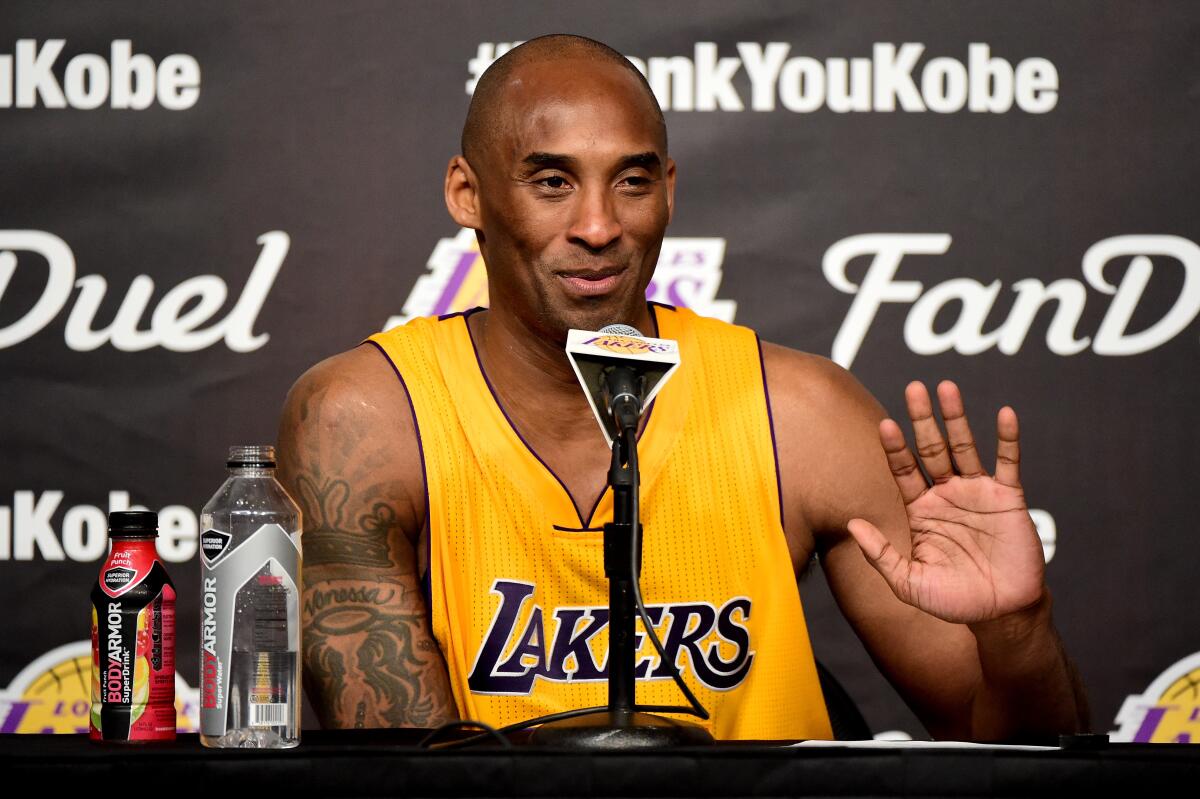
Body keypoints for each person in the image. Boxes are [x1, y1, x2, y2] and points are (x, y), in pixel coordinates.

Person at [276, 34, 1088, 739]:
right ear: (469, 194)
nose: (599, 226)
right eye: (552, 181)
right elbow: (406, 776)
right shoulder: (366, 417)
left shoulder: (800, 414)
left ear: (668, 190)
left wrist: (1017, 630)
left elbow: (1016, 748)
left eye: (630, 182)